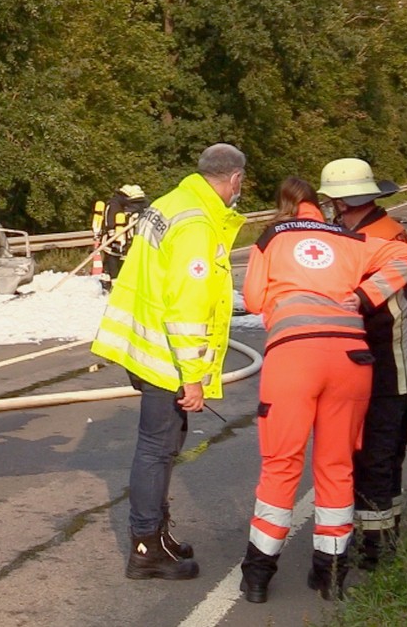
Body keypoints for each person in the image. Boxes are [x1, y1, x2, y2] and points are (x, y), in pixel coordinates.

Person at [239, 177, 407, 603]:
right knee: (337, 465)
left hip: (294, 359)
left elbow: (251, 300)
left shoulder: (270, 238)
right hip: (351, 361)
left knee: (281, 464)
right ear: (322, 205)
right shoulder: (349, 237)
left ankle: (258, 576)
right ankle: (331, 573)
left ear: (283, 206)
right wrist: (363, 296)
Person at [91, 143, 247, 580]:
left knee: (163, 445)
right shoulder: (197, 225)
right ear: (234, 179)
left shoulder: (170, 203)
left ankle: (156, 534)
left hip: (145, 346)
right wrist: (193, 377)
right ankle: (145, 548)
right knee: (157, 450)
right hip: (166, 356)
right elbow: (188, 308)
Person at [318, 158, 407, 570]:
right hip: (400, 361)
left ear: (343, 202)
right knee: (387, 456)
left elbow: (355, 303)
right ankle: (387, 534)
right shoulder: (381, 230)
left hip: (385, 366)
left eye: (333, 202)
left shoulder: (368, 240)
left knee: (374, 457)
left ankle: (375, 550)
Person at [97, 184, 149, 291]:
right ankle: (112, 284)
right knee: (112, 260)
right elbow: (111, 222)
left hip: (120, 238)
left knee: (112, 261)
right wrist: (115, 238)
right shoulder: (114, 205)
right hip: (113, 238)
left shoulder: (123, 206)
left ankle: (109, 282)